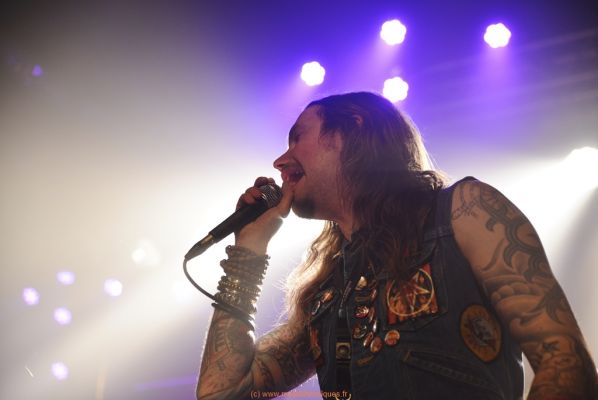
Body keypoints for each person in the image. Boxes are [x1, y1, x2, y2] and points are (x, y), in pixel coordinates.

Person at [196, 92, 597, 400]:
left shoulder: (465, 211)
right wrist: (249, 250)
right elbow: (222, 392)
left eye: (297, 137)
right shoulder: (327, 293)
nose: (280, 162)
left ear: (353, 130)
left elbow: (566, 365)